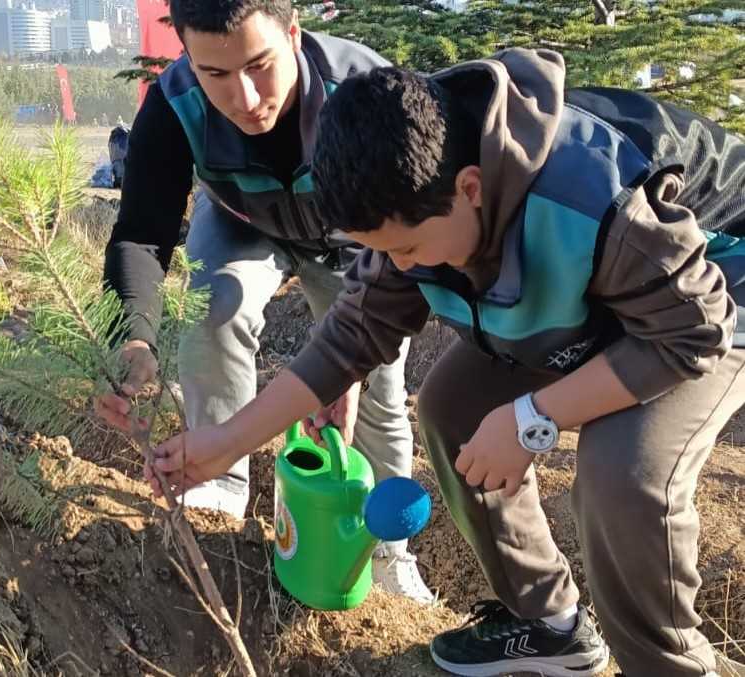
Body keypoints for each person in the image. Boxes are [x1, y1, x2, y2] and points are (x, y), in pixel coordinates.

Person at [145, 51, 745, 676]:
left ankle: (670, 666)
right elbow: (351, 334)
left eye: (407, 248)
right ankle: (549, 626)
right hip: (594, 295)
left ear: (469, 188)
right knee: (453, 409)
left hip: (710, 296)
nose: (400, 269)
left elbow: (691, 334)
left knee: (621, 474)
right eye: (383, 252)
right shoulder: (410, 189)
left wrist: (532, 417)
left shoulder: (592, 197)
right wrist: (222, 443)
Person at [95, 0, 434, 603]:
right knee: (215, 305)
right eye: (216, 75)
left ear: (293, 33)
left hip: (356, 240)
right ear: (189, 58)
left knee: (378, 381)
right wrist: (135, 336)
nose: (245, 99)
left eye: (259, 65)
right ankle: (218, 491)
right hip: (243, 217)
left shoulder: (360, 95)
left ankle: (385, 550)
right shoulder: (176, 105)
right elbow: (142, 232)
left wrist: (345, 370)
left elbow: (402, 244)